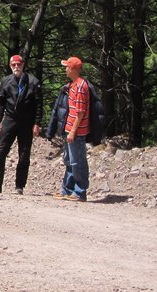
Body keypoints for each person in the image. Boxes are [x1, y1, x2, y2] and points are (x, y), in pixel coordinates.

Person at [0, 55, 42, 195]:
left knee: (24, 154)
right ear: (10, 66)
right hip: (10, 119)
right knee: (0, 152)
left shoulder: (33, 82)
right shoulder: (5, 81)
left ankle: (19, 186)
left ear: (23, 65)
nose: (16, 67)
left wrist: (37, 123)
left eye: (19, 64)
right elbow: (0, 104)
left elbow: (39, 105)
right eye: (14, 65)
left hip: (27, 121)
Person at [52, 56, 90, 202]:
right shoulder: (73, 85)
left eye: (67, 67)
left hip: (77, 132)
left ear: (73, 69)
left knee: (77, 161)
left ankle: (80, 192)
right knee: (68, 160)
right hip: (69, 129)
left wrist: (73, 131)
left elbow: (80, 112)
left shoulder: (81, 86)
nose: (65, 69)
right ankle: (67, 190)